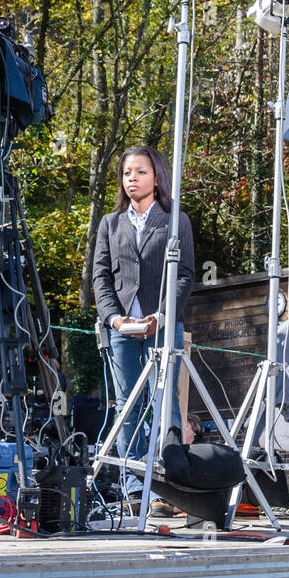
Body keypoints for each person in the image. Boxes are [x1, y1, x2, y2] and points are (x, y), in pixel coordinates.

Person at [92, 146, 193, 504]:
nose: (131, 178)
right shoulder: (110, 223)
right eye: (126, 173)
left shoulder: (175, 219)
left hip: (162, 326)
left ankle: (170, 486)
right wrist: (114, 318)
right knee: (126, 406)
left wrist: (161, 316)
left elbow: (184, 276)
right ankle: (136, 487)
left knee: (164, 403)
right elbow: (100, 277)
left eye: (140, 172)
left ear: (157, 176)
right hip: (121, 330)